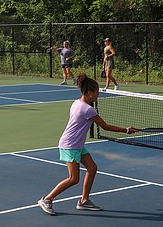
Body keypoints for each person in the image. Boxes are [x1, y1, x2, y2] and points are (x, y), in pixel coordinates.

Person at [37, 73, 137, 215]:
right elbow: (105, 127)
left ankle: (84, 200)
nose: (98, 94)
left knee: (92, 168)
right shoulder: (88, 109)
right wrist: (126, 130)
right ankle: (47, 199)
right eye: (96, 92)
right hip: (70, 145)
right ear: (89, 93)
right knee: (73, 179)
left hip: (76, 144)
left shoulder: (76, 103)